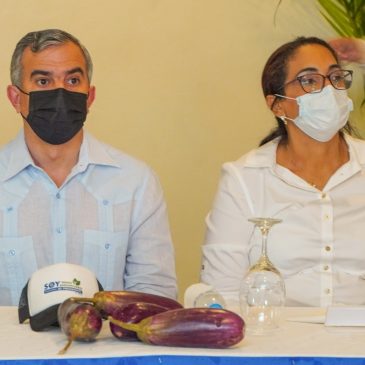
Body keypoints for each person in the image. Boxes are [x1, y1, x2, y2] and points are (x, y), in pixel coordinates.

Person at [0, 29, 177, 305]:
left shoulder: (135, 183)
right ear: (15, 98)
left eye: (72, 80)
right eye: (43, 81)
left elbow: (154, 295)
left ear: (89, 96)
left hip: (106, 345)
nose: (60, 93)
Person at [201, 36, 365, 308]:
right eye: (310, 81)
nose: (328, 90)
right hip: (276, 338)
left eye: (335, 77)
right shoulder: (244, 178)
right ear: (277, 104)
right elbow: (221, 291)